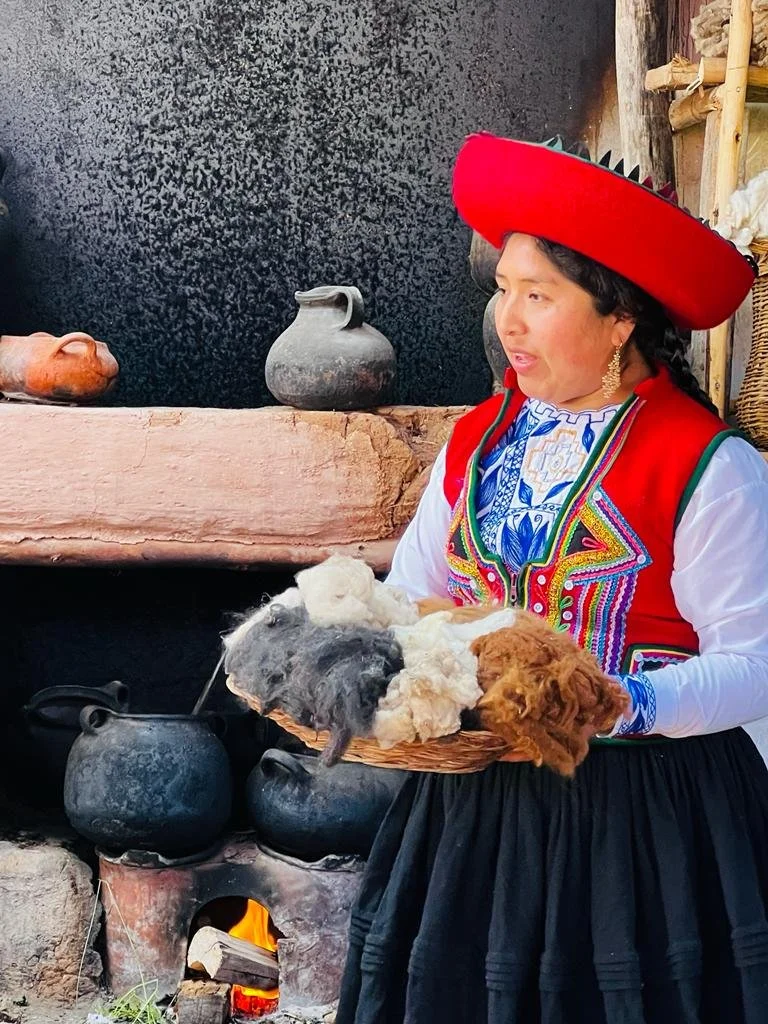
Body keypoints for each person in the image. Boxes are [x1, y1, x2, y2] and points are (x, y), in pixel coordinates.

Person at [334, 133, 768, 1024]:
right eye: (503, 290)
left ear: (621, 319)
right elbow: (415, 594)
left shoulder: (707, 467)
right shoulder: (478, 441)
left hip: (648, 832)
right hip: (473, 819)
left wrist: (615, 703)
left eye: (540, 295)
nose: (510, 321)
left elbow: (758, 662)